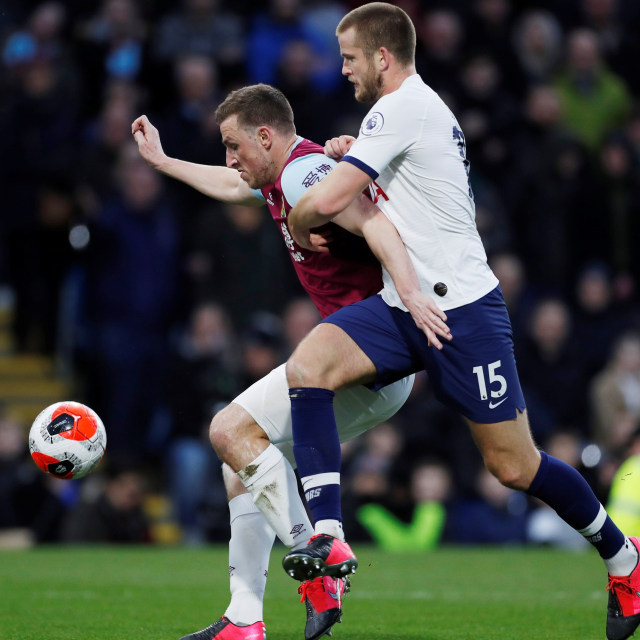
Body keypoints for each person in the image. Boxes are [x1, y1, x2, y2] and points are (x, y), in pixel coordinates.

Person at [282, 5, 640, 640]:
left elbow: (330, 202)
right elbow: (389, 187)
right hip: (405, 303)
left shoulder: (403, 108)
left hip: (463, 313)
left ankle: (624, 559)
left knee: (515, 467)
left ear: (382, 58)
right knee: (307, 367)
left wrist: (302, 217)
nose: (343, 70)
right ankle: (329, 542)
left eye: (350, 58)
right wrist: (352, 152)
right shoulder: (397, 112)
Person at [132, 83, 433, 640]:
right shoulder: (281, 176)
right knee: (240, 461)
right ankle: (243, 617)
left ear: (264, 136)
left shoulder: (303, 172)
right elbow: (229, 183)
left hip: (364, 351)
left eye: (233, 145)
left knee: (228, 429)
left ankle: (319, 559)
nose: (230, 159)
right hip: (370, 361)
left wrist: (411, 292)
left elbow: (373, 222)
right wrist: (164, 160)